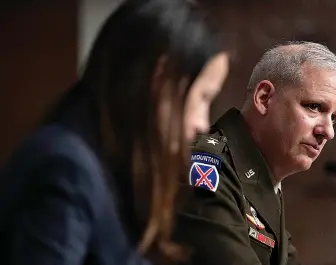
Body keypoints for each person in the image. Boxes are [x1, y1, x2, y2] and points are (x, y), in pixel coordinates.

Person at [0, 0, 229, 264]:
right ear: (162, 81)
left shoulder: (107, 165)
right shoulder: (66, 168)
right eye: (203, 97)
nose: (203, 123)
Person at [173, 41, 336, 265]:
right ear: (264, 98)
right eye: (314, 107)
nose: (328, 132)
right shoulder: (207, 166)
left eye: (334, 118)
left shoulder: (262, 178)